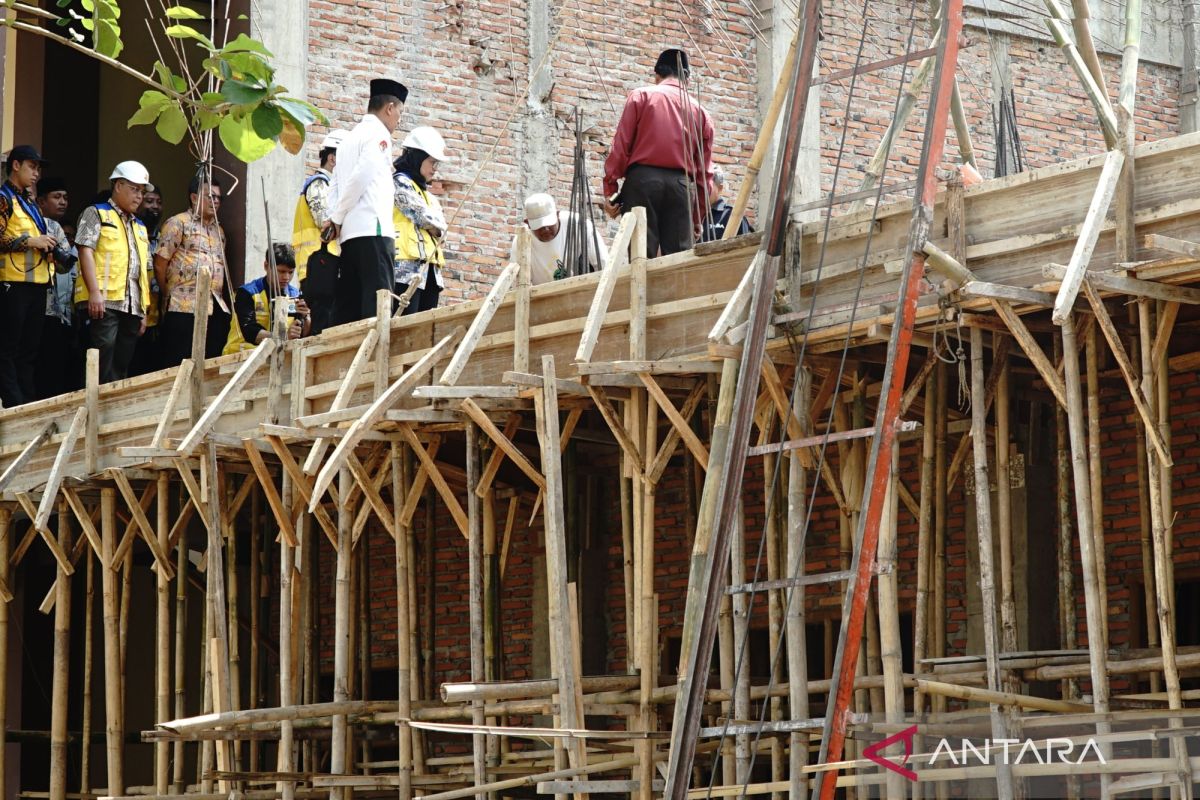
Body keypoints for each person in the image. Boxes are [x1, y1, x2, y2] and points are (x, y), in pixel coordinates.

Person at [602, 48, 714, 257]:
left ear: (657, 75)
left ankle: (642, 290)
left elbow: (621, 146)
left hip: (642, 183)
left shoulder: (641, 96)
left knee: (640, 256)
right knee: (678, 261)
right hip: (681, 188)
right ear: (687, 78)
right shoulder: (702, 113)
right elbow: (704, 173)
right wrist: (697, 216)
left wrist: (610, 188)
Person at [329, 78, 407, 324]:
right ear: (390, 108)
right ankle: (374, 360)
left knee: (350, 308)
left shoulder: (348, 139)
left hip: (350, 236)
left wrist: (334, 218)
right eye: (400, 112)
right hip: (373, 231)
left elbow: (336, 185)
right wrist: (337, 217)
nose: (399, 120)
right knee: (377, 309)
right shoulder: (379, 135)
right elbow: (361, 176)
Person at [74, 161, 154, 384]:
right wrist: (94, 292)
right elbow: (85, 250)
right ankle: (93, 406)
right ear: (118, 186)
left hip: (132, 304)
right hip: (104, 300)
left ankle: (111, 410)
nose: (139, 196)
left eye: (141, 191)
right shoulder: (96, 213)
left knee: (122, 360)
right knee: (102, 353)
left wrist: (144, 309)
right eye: (134, 189)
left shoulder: (140, 226)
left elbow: (143, 271)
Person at [0, 146, 58, 407]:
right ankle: (14, 403)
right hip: (12, 282)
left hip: (36, 283)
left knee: (29, 351)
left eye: (38, 169)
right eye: (31, 167)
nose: (36, 174)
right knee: (8, 349)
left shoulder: (29, 201)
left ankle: (27, 402)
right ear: (15, 165)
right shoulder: (3, 197)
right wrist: (31, 241)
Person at [155, 173, 231, 366]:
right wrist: (168, 294)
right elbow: (160, 263)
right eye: (210, 196)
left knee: (209, 362)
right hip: (183, 306)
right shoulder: (177, 223)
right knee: (178, 363)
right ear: (194, 197)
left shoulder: (219, 231)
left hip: (214, 306)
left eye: (218, 198)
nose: (215, 201)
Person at [293, 129, 348, 334]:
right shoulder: (318, 185)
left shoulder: (329, 187)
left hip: (324, 266)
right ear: (332, 159)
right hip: (316, 267)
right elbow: (324, 220)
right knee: (321, 325)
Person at [392, 126, 449, 315]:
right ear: (417, 157)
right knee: (403, 327)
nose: (435, 168)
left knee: (425, 331)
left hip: (430, 273)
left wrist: (437, 227)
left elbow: (442, 227)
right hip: (405, 271)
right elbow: (420, 215)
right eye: (432, 162)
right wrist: (437, 226)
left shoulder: (426, 194)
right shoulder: (399, 182)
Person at [35, 177, 82, 398]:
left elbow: (65, 267)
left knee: (52, 367)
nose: (63, 202)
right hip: (27, 303)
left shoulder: (55, 227)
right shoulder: (26, 223)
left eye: (65, 197)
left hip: (54, 312)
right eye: (56, 197)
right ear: (41, 201)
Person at [223, 243, 311, 354]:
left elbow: (303, 334)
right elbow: (250, 332)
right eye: (281, 271)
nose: (286, 277)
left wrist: (306, 317)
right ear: (266, 266)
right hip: (240, 358)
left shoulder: (295, 294)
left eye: (291, 272)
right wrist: (283, 337)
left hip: (278, 359)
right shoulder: (247, 293)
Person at [508, 193, 604, 285]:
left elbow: (603, 264)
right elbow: (517, 283)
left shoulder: (578, 225)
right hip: (545, 297)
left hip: (583, 287)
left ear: (557, 215)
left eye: (549, 224)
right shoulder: (521, 243)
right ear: (528, 223)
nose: (546, 230)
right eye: (540, 227)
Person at [129, 186, 165, 375]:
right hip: (132, 313)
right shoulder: (131, 231)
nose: (155, 207)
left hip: (156, 317)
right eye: (149, 201)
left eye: (159, 202)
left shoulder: (165, 237)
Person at [699, 167, 753, 243]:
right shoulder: (693, 216)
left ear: (720, 188)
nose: (701, 190)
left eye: (707, 186)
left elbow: (744, 248)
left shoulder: (732, 216)